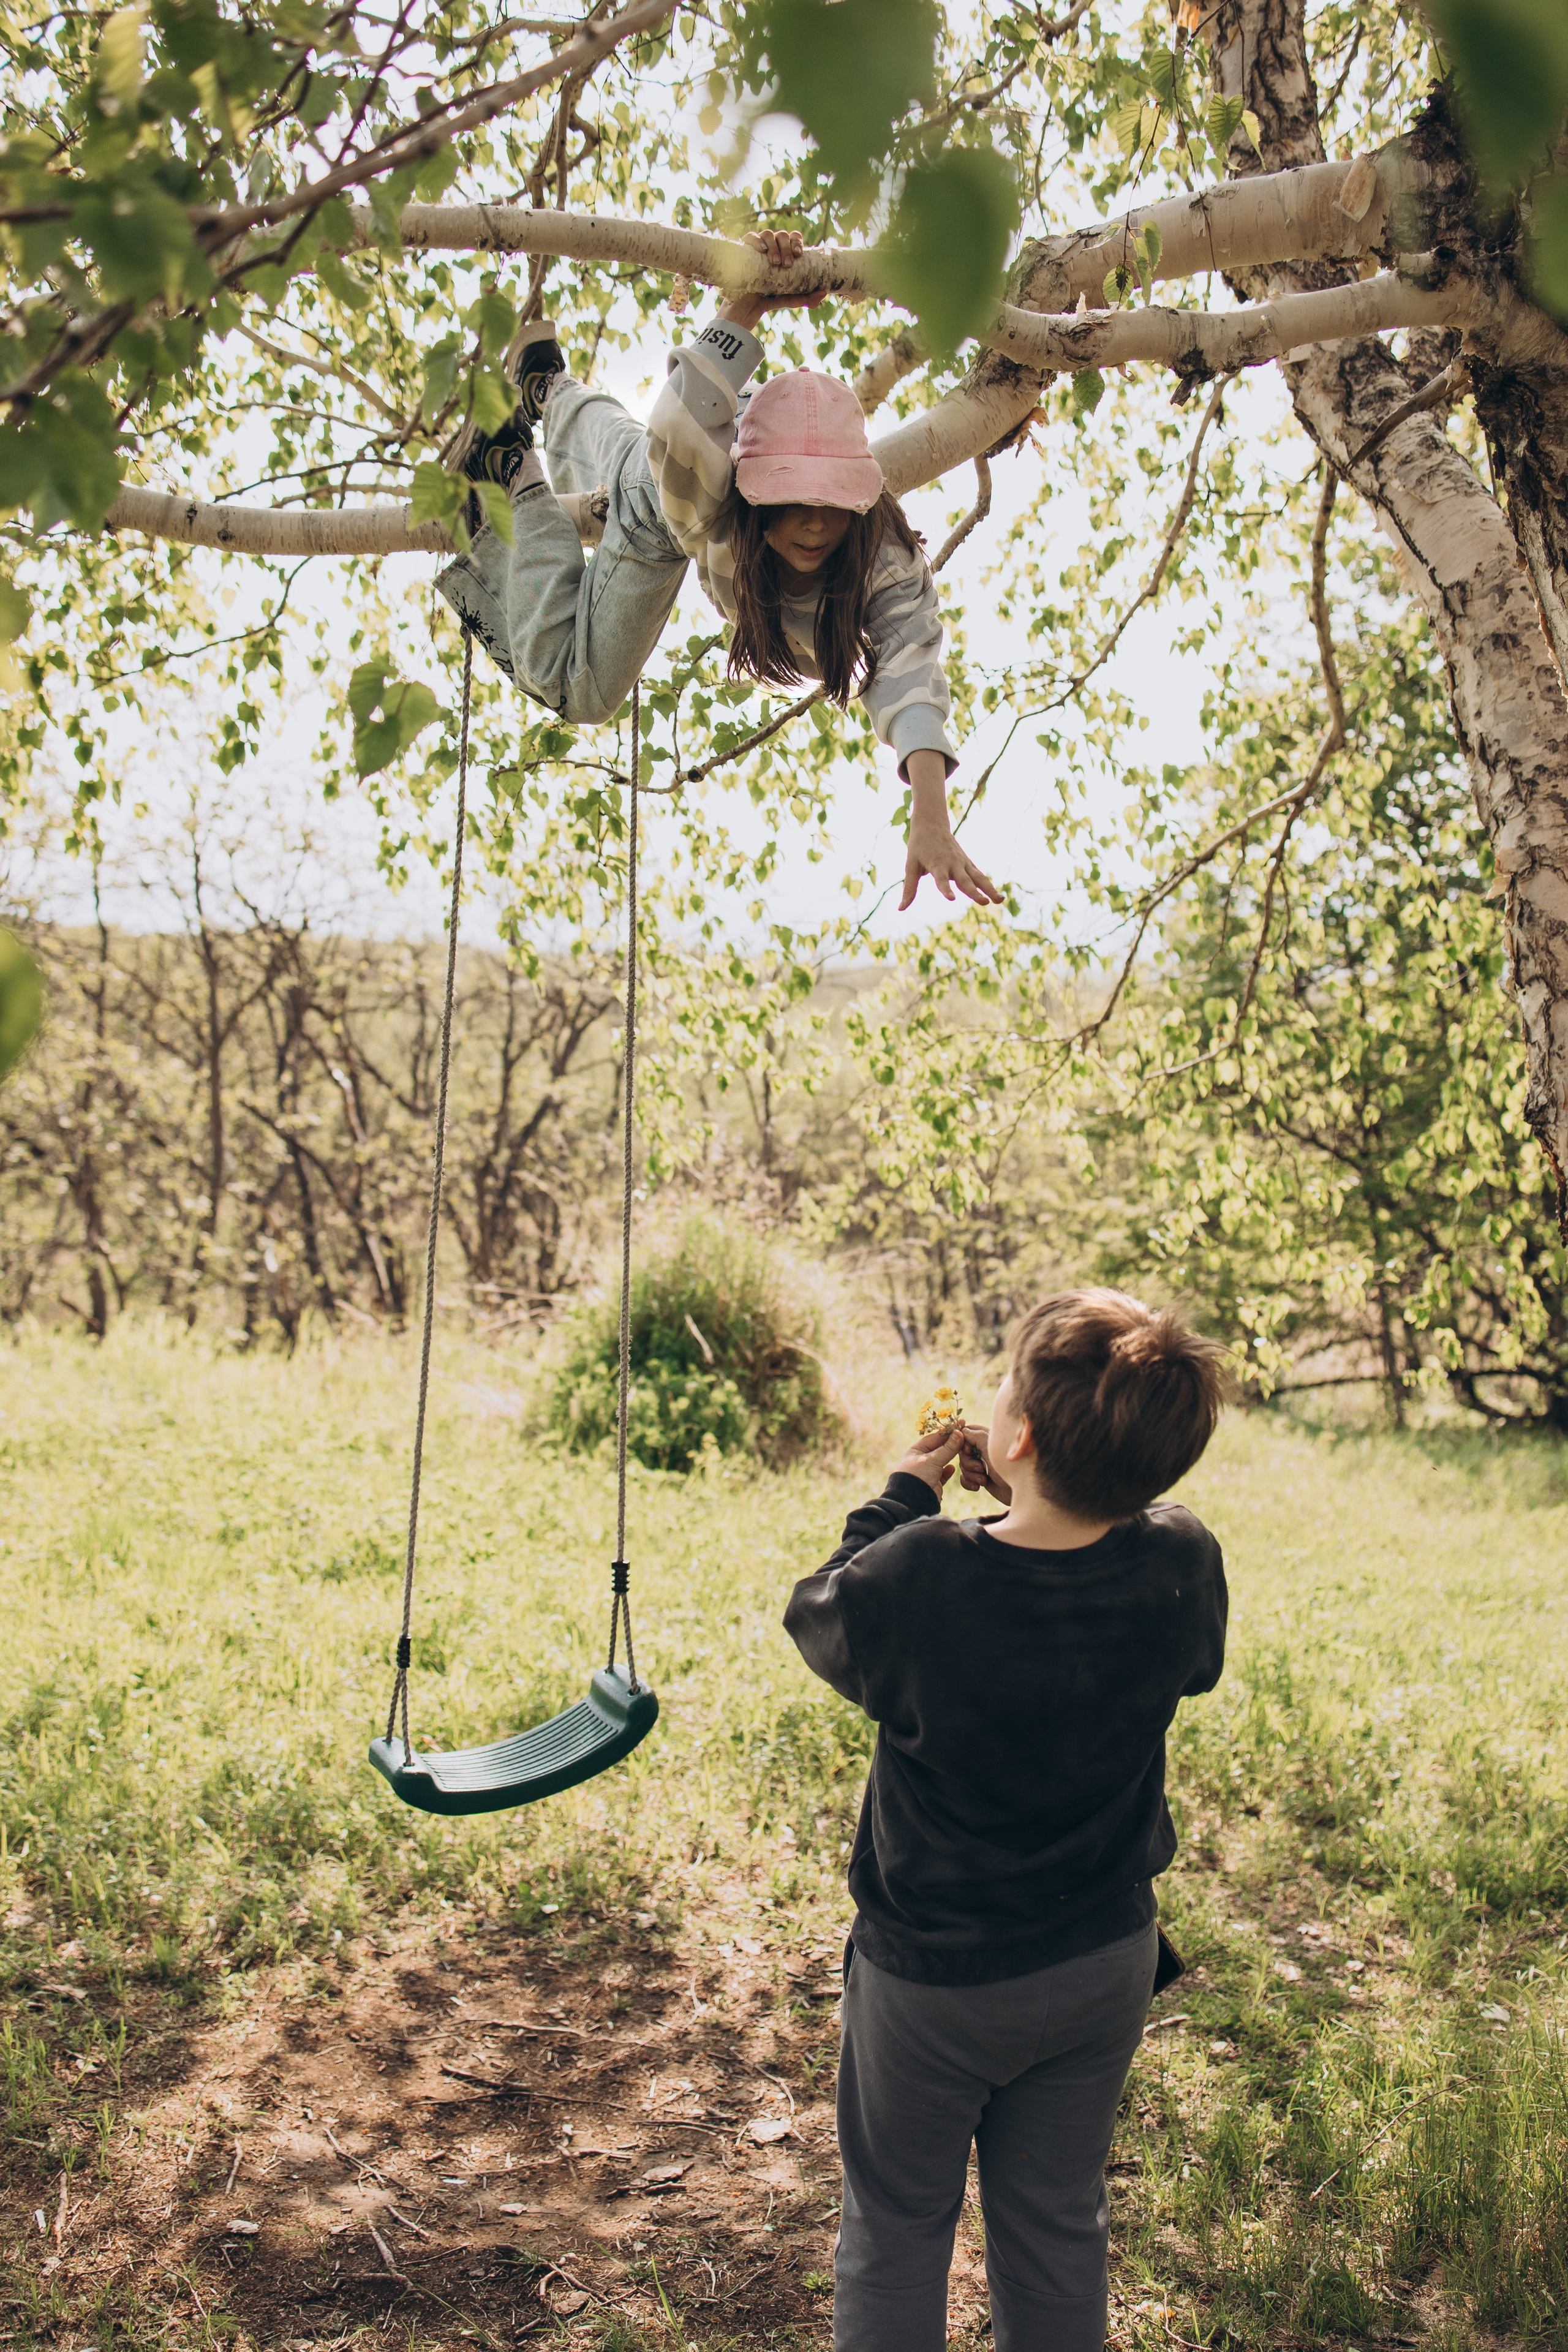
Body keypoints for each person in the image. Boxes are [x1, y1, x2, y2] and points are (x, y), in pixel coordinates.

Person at [783, 1287, 1232, 2352]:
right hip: (1101, 1963)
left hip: (934, 1983)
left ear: (1018, 1434)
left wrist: (906, 1494)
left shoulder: (921, 1571)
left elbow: (822, 1611)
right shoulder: (1182, 1560)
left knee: (897, 2224)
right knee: (1058, 2223)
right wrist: (1044, 1493)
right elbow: (1139, 1589)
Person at [435, 228, 999, 913]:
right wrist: (748, 302)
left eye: (831, 504)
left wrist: (931, 817)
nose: (814, 524)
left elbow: (910, 677)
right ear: (756, 493)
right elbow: (676, 424)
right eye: (790, 502)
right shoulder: (711, 492)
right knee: (579, 686)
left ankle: (546, 384)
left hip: (694, 454)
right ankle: (507, 470)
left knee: (624, 450)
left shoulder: (885, 558)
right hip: (673, 506)